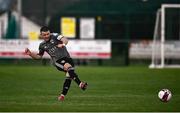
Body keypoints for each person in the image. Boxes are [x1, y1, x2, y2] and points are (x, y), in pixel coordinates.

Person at [25, 26, 88, 101]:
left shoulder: (55, 36)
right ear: (41, 35)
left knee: (69, 76)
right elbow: (39, 57)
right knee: (69, 68)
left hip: (68, 58)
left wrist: (63, 44)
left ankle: (62, 96)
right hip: (58, 61)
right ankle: (80, 84)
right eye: (44, 35)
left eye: (48, 34)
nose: (46, 36)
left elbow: (65, 40)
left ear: (50, 32)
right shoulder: (42, 45)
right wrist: (30, 54)